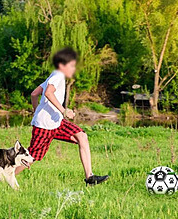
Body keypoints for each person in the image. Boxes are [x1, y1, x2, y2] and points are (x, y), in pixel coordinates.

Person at [15, 47, 109, 186]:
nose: (73, 69)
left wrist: (36, 112)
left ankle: (90, 177)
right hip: (45, 125)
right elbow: (48, 92)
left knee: (82, 136)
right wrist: (63, 111)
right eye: (71, 66)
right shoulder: (58, 75)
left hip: (56, 122)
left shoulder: (55, 75)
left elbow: (34, 93)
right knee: (33, 156)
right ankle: (4, 175)